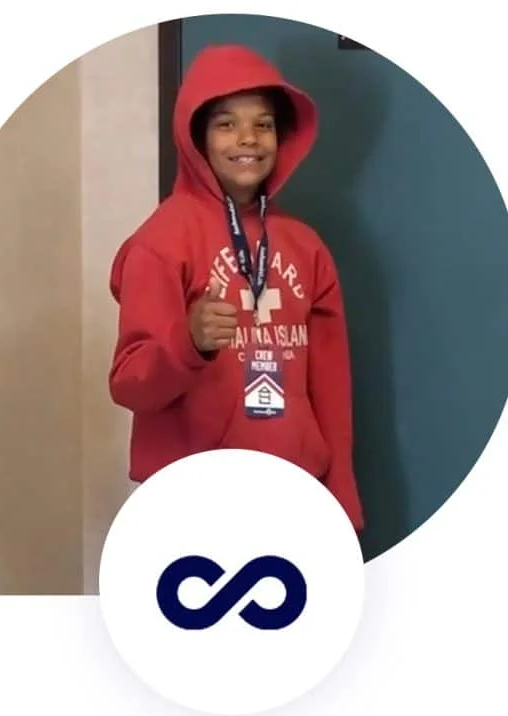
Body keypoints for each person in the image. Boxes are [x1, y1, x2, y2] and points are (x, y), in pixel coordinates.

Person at [108, 44, 364, 530]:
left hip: (294, 492)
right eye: (226, 124)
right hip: (195, 499)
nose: (248, 138)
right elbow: (129, 384)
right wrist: (189, 341)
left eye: (263, 124)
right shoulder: (161, 242)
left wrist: (341, 495)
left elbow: (331, 385)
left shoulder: (306, 246)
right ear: (196, 138)